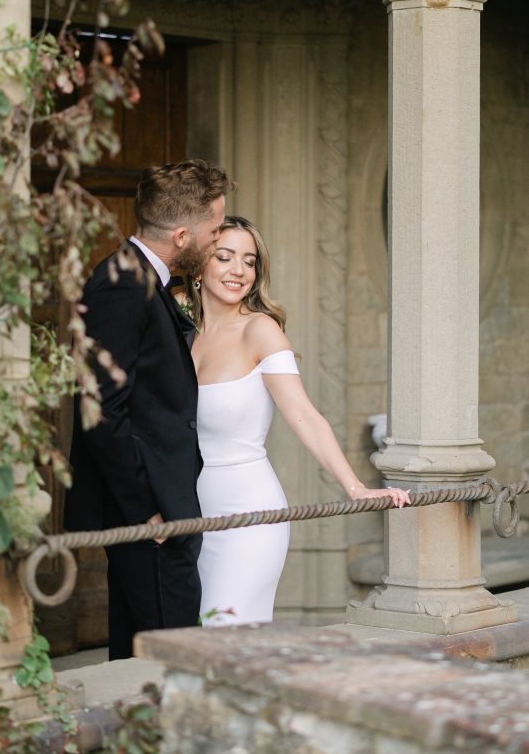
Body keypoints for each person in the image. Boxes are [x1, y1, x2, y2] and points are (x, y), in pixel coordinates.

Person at [186, 215, 410, 626]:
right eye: (225, 257)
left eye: (249, 261)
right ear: (200, 265)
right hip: (192, 514)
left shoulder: (261, 330)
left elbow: (304, 414)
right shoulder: (182, 333)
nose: (239, 270)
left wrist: (355, 486)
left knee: (225, 633)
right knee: (198, 638)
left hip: (250, 514)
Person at [65, 160, 234, 659]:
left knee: (138, 652)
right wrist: (147, 510)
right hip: (152, 516)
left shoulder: (143, 278)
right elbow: (100, 406)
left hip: (161, 507)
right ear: (183, 235)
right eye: (216, 228)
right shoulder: (121, 283)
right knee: (170, 657)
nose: (219, 237)